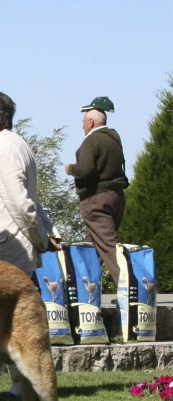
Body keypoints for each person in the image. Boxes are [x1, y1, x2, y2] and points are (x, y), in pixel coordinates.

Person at [0, 90, 60, 399]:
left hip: (11, 247)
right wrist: (48, 231)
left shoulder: (5, 149)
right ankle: (19, 384)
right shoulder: (14, 144)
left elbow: (21, 204)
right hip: (17, 244)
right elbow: (31, 200)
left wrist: (40, 238)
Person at [65, 97, 128, 284]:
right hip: (116, 197)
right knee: (91, 248)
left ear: (91, 122)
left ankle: (129, 290)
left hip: (96, 200)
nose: (83, 125)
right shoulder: (113, 139)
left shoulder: (91, 141)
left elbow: (85, 170)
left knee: (108, 247)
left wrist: (70, 168)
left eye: (84, 121)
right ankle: (85, 290)